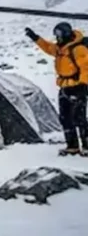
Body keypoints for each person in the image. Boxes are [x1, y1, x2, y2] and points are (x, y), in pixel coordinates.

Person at [25, 22, 88, 156]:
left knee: (79, 118)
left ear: (66, 33)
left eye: (59, 34)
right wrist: (36, 38)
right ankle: (72, 146)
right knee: (65, 118)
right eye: (56, 34)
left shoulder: (78, 49)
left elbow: (86, 68)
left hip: (77, 87)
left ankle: (87, 145)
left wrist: (83, 85)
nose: (57, 37)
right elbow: (48, 47)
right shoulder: (60, 49)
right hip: (64, 87)